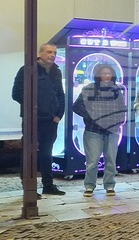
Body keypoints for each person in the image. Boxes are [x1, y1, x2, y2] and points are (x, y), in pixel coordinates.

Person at [11, 43, 65, 195]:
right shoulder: (27, 69)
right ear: (40, 53)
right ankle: (29, 188)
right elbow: (17, 93)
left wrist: (59, 115)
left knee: (47, 153)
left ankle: (48, 185)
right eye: (49, 52)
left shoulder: (56, 71)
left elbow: (60, 95)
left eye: (54, 52)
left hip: (51, 121)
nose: (52, 55)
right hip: (32, 121)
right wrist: (34, 109)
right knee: (29, 153)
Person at [72, 63, 127, 197]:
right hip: (93, 130)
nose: (107, 76)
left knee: (111, 160)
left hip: (112, 130)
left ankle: (109, 185)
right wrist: (92, 117)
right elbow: (77, 106)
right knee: (92, 161)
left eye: (109, 73)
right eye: (104, 73)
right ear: (98, 75)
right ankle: (89, 185)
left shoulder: (116, 90)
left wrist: (120, 120)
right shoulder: (89, 89)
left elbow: (122, 107)